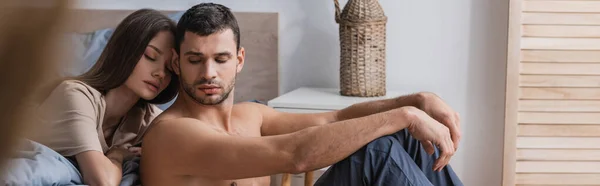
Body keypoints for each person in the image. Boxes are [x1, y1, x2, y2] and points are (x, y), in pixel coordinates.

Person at [141, 3, 464, 186]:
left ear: (239, 60)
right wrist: (403, 116)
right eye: (195, 60)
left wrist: (414, 101)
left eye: (221, 59)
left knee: (406, 137)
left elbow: (334, 118)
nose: (209, 73)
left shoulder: (250, 116)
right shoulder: (171, 134)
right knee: (377, 151)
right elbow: (295, 156)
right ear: (176, 63)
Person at [27, 9, 179, 186]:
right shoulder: (75, 95)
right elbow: (102, 181)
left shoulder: (149, 120)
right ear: (124, 51)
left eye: (169, 68)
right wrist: (117, 155)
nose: (160, 73)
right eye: (150, 56)